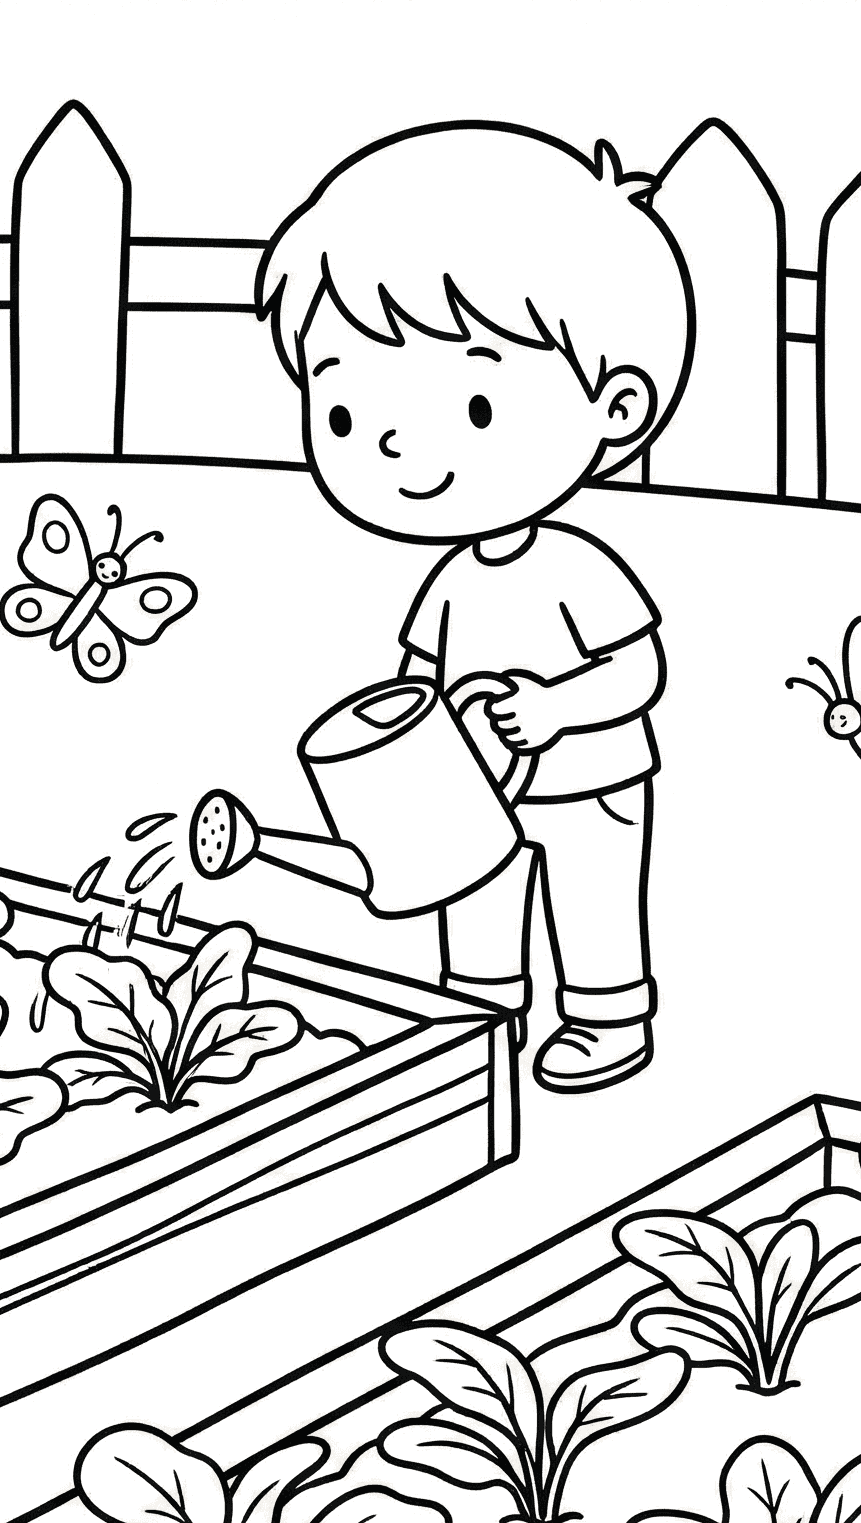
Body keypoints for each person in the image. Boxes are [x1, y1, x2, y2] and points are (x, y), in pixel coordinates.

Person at [255, 123, 694, 1092]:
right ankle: (482, 1013)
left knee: (590, 897)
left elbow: (640, 669)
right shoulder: (448, 583)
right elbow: (419, 673)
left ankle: (607, 1016)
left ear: (615, 409)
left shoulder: (576, 569)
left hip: (588, 776)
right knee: (474, 896)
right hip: (471, 784)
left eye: (475, 409)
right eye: (344, 415)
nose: (398, 452)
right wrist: (403, 727)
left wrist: (552, 709)